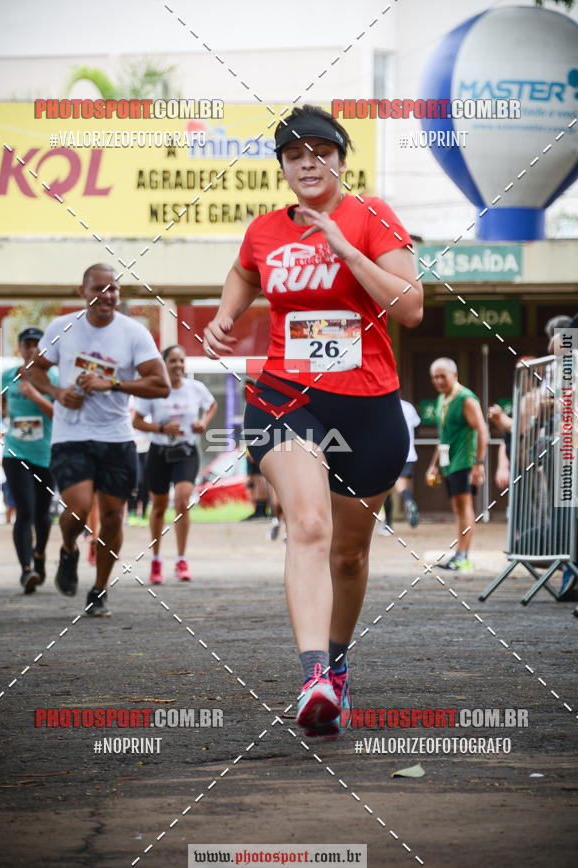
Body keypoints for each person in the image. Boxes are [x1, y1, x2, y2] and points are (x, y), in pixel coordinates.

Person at [203, 104, 423, 736]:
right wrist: (228, 315)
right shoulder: (265, 230)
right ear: (282, 167)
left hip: (369, 405)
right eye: (295, 155)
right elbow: (245, 270)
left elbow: (410, 308)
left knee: (350, 555)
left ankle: (339, 661)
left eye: (320, 152)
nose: (308, 163)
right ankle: (313, 677)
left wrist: (346, 249)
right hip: (285, 397)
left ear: (341, 160)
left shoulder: (371, 215)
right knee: (307, 524)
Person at [29, 264, 170, 617]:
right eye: (99, 288)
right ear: (83, 291)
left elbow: (160, 384)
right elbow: (33, 370)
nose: (106, 296)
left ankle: (98, 589)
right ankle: (68, 550)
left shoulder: (133, 333)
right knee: (76, 509)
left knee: (111, 517)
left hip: (116, 437)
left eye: (113, 289)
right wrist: (57, 392)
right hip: (72, 433)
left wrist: (116, 384)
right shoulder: (62, 328)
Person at [133, 344, 217, 584]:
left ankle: (181, 560)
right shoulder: (154, 390)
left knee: (182, 501)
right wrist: (161, 428)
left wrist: (204, 422)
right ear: (164, 364)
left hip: (186, 452)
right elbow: (137, 422)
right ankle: (156, 560)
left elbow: (212, 405)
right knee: (158, 507)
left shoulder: (195, 388)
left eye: (182, 361)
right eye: (173, 361)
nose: (178, 366)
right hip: (159, 452)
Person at [1, 327, 56, 593]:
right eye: (27, 344)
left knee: (43, 515)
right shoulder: (7, 377)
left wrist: (35, 393)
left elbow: (60, 415)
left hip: (46, 455)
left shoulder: (53, 376)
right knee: (24, 511)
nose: (32, 348)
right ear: (20, 348)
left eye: (38, 343)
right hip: (15, 453)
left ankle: (40, 555)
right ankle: (26, 571)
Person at [426, 358, 488, 573]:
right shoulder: (442, 399)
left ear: (455, 375)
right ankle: (459, 554)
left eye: (443, 376)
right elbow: (443, 437)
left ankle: (464, 556)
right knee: (457, 508)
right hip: (448, 463)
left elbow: (483, 431)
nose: (438, 380)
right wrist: (433, 465)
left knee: (465, 507)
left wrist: (479, 463)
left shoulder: (466, 399)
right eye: (435, 377)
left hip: (465, 461)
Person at [380, 399, 421, 533]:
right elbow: (417, 428)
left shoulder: (383, 406)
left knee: (387, 490)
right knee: (402, 486)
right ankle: (409, 501)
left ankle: (388, 524)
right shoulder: (409, 407)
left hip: (388, 454)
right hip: (408, 453)